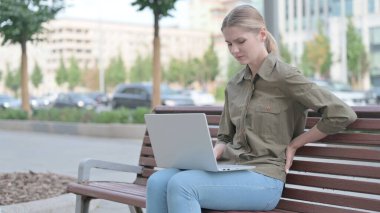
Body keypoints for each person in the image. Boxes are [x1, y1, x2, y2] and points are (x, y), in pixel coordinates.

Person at [146, 5, 357, 213]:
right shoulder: (234, 83)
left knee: (183, 185)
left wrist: (295, 144)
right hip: (230, 167)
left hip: (264, 178)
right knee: (157, 181)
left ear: (262, 34)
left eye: (241, 41)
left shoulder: (285, 77)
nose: (234, 50)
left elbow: (341, 113)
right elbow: (225, 136)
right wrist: (213, 152)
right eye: (229, 44)